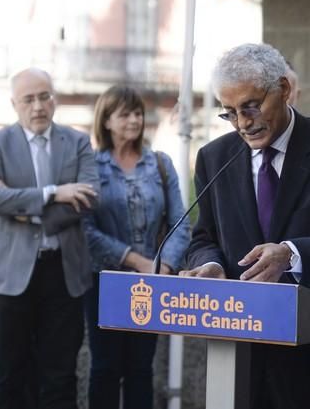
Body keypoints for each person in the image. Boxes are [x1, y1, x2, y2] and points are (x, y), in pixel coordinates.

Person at [180, 43, 310, 409]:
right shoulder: (214, 158)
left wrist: (291, 254)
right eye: (230, 114)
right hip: (242, 365)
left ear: (284, 90)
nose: (243, 123)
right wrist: (210, 264)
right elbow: (204, 237)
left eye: (251, 106)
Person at [0, 67, 99, 409]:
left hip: (64, 274)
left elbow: (89, 199)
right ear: (14, 104)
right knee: (7, 377)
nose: (38, 106)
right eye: (29, 99)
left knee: (60, 378)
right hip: (10, 277)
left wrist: (21, 209)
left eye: (45, 96)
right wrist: (52, 193)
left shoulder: (77, 142)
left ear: (54, 98)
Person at [82, 85, 190, 409]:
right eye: (125, 114)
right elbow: (85, 230)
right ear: (107, 120)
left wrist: (164, 266)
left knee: (141, 369)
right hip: (104, 281)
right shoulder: (90, 166)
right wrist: (136, 261)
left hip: (152, 282)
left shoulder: (160, 163)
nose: (134, 120)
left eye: (138, 113)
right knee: (104, 368)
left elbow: (181, 221)